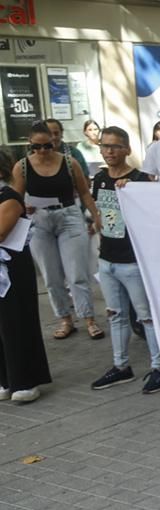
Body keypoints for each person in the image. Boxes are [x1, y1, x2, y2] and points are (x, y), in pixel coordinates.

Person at [88, 126, 160, 395]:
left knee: (145, 316)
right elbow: (99, 212)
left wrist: (133, 191)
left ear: (127, 150)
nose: (109, 151)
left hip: (133, 262)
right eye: (104, 146)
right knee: (115, 315)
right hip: (107, 259)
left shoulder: (140, 180)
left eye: (114, 146)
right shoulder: (99, 178)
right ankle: (121, 366)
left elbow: (155, 215)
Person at [12, 121, 104, 340]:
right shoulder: (22, 166)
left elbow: (84, 192)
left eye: (47, 146)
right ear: (29, 144)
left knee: (76, 273)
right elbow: (14, 199)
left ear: (54, 142)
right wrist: (23, 206)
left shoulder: (69, 162)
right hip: (39, 220)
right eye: (37, 147)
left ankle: (89, 318)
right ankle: (65, 319)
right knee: (51, 276)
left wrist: (96, 216)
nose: (42, 151)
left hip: (68, 216)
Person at [0, 150, 51, 404]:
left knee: (17, 321)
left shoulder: (9, 197)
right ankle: (5, 378)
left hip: (11, 270)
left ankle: (26, 379)